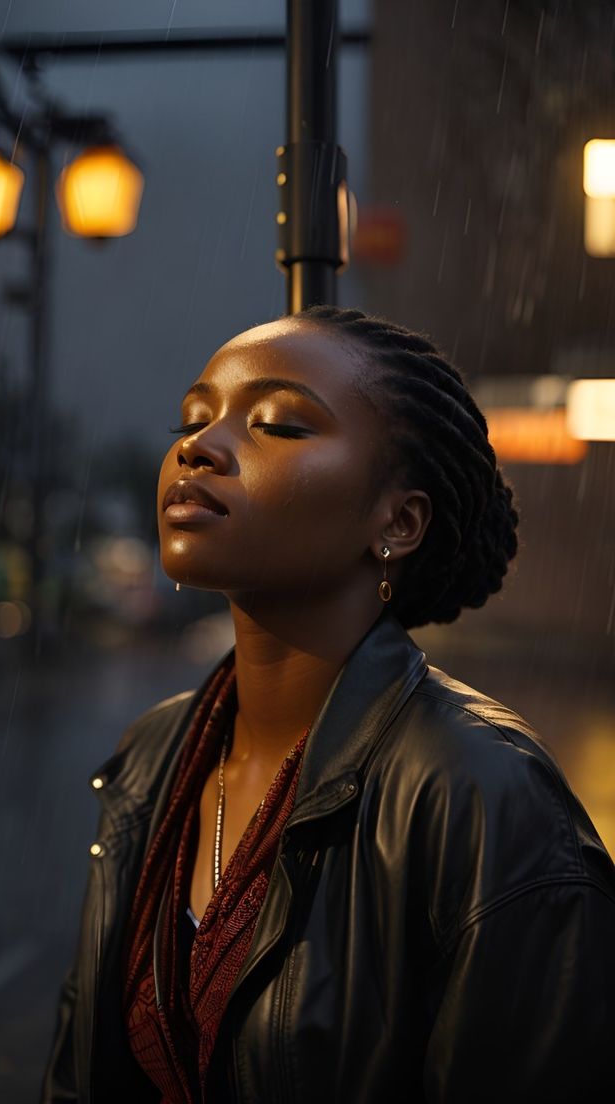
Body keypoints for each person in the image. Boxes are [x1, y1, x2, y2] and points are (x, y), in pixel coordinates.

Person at [40, 306, 615, 1104]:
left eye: (277, 424)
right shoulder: (156, 752)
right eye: (194, 418)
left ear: (398, 520)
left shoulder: (481, 793)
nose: (196, 447)